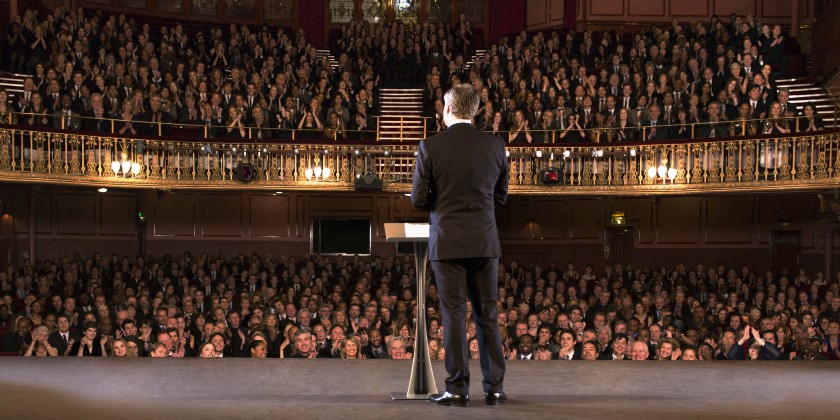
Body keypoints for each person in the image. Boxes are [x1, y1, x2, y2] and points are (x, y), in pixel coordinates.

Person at [411, 84, 508, 407]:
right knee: (488, 317)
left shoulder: (430, 146)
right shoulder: (495, 146)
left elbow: (418, 199)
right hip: (484, 239)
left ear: (447, 109)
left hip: (448, 242)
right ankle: (494, 388)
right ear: (476, 111)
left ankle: (457, 388)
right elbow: (500, 196)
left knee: (453, 315)